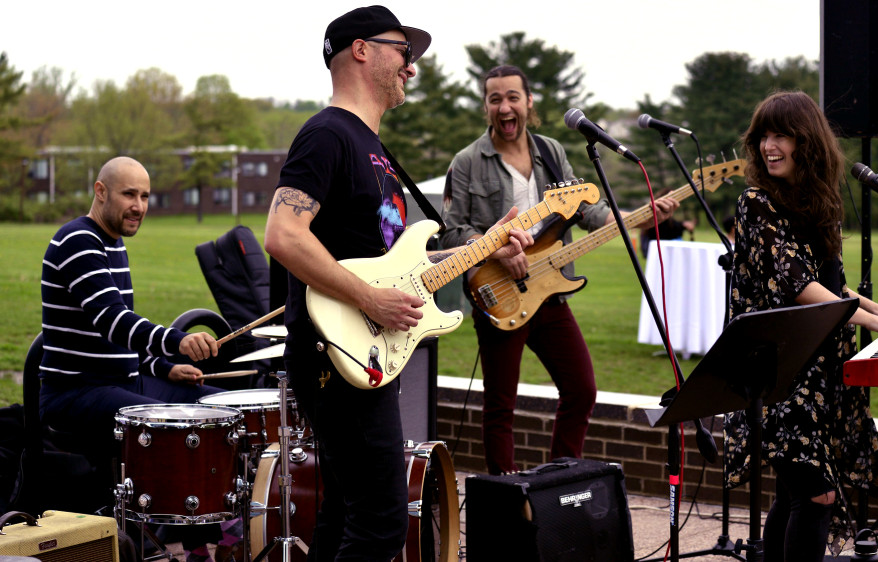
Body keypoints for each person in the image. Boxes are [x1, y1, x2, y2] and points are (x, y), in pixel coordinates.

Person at [262, 7, 532, 559]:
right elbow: (284, 234)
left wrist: (486, 247)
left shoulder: (373, 148)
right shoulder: (327, 134)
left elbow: (399, 265)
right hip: (334, 351)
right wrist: (369, 299)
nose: (411, 67)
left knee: (345, 512)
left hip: (359, 350)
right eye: (403, 51)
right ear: (362, 50)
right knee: (384, 520)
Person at [441, 64, 680, 475]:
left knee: (582, 391)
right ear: (486, 106)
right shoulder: (467, 162)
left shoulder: (551, 152)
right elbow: (449, 233)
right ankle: (507, 495)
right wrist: (495, 250)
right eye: (495, 98)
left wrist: (635, 216)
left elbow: (587, 209)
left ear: (528, 102)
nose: (504, 106)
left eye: (513, 96)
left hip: (551, 292)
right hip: (497, 292)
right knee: (501, 406)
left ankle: (561, 484)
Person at [722, 91, 878, 561]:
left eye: (782, 135)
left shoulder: (817, 204)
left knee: (796, 495)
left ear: (806, 142)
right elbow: (797, 287)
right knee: (817, 497)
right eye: (764, 136)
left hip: (818, 369)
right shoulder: (756, 202)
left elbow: (834, 287)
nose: (770, 146)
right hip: (778, 371)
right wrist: (872, 320)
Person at [38, 156, 240, 562]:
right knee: (177, 421)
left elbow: (117, 341)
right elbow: (114, 322)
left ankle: (211, 528)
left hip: (120, 382)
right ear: (101, 191)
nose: (139, 205)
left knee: (219, 407)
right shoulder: (77, 242)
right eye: (129, 194)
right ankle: (200, 540)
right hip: (75, 392)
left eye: (145, 196)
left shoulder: (113, 244)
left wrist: (166, 368)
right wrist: (177, 342)